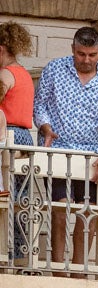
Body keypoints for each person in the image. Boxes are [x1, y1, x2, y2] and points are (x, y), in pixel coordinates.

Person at [32, 26, 98, 267]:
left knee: (89, 213)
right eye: (81, 54)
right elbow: (39, 104)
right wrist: (44, 127)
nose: (86, 60)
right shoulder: (54, 69)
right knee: (60, 210)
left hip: (92, 153)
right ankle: (58, 269)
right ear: (73, 49)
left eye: (92, 55)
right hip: (59, 149)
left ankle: (78, 269)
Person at [0, 21, 35, 208]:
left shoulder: (5, 74)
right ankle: (19, 238)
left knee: (5, 196)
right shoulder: (23, 74)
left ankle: (5, 237)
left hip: (9, 137)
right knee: (20, 198)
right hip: (25, 138)